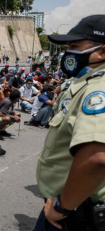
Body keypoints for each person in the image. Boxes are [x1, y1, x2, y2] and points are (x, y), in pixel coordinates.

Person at [33, 15, 105, 230]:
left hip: (75, 211)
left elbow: (97, 158)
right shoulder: (89, 83)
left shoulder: (98, 89)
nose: (68, 53)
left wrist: (63, 206)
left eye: (74, 46)